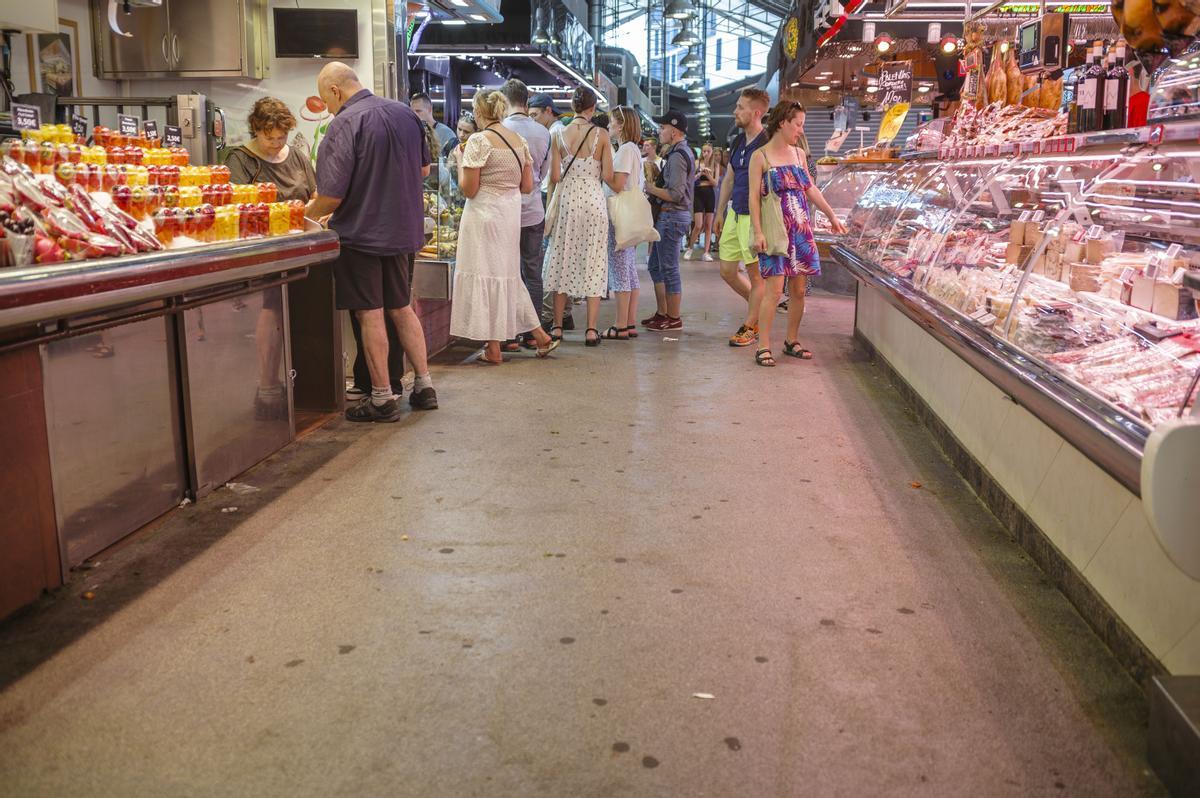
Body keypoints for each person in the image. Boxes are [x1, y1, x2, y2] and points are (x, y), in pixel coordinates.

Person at [307, 62, 438, 419]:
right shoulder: (404, 113)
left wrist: (306, 214)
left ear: (335, 91)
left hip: (361, 235)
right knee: (401, 306)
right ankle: (424, 385)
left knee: (370, 313)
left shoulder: (345, 123)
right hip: (402, 232)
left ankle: (382, 398)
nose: (329, 107)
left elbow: (330, 196)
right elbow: (424, 169)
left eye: (326, 99)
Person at [450, 90, 559, 363]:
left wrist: (460, 162)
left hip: (484, 215)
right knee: (506, 275)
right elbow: (527, 185)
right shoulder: (518, 141)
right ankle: (532, 338)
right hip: (509, 215)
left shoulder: (478, 141)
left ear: (478, 112)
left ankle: (496, 347)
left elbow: (469, 189)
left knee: (486, 274)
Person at [747, 101, 846, 367]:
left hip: (800, 228)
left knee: (799, 290)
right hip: (775, 230)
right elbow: (753, 199)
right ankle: (763, 345)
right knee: (774, 290)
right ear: (783, 123)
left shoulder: (800, 155)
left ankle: (791, 340)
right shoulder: (761, 157)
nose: (801, 131)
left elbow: (810, 189)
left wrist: (831, 215)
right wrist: (757, 231)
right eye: (798, 124)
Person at [543, 86, 613, 347]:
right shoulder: (601, 135)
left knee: (563, 257)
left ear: (573, 106)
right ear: (592, 108)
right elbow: (607, 175)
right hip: (593, 201)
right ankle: (592, 330)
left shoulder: (558, 133)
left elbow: (554, 177)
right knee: (593, 260)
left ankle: (558, 326)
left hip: (568, 201)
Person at [714, 87, 770, 348]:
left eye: (740, 107)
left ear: (755, 112)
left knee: (756, 275)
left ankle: (751, 324)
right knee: (727, 271)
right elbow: (729, 178)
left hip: (755, 217)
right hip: (735, 214)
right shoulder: (737, 142)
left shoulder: (768, 142)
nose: (735, 111)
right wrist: (720, 211)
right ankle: (758, 308)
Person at [499, 79, 551, 350]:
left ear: (505, 102)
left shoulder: (499, 131)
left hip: (505, 211)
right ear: (527, 102)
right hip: (533, 211)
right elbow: (544, 171)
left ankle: (509, 336)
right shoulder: (544, 132)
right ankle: (534, 332)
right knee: (532, 272)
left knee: (507, 272)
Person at [642, 110, 695, 331]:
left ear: (674, 132)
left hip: (672, 216)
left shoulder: (676, 156)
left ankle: (673, 318)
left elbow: (676, 194)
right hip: (670, 216)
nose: (659, 131)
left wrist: (651, 188)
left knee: (669, 268)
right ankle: (662, 313)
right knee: (656, 266)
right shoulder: (679, 152)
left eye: (663, 128)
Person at [600, 105, 643, 341]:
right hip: (628, 213)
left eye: (612, 122)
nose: (609, 126)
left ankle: (619, 325)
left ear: (621, 124)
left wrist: (603, 170)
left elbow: (617, 184)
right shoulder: (633, 149)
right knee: (628, 268)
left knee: (619, 270)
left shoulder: (625, 150)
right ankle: (630, 321)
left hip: (619, 214)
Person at [684, 142, 719, 262]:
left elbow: (715, 183)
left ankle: (706, 252)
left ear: (712, 152)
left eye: (708, 151)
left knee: (709, 225)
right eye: (704, 151)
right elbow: (690, 180)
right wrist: (700, 174)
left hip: (710, 195)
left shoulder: (715, 165)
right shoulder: (697, 163)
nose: (705, 154)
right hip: (698, 194)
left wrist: (708, 175)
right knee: (698, 225)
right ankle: (690, 248)